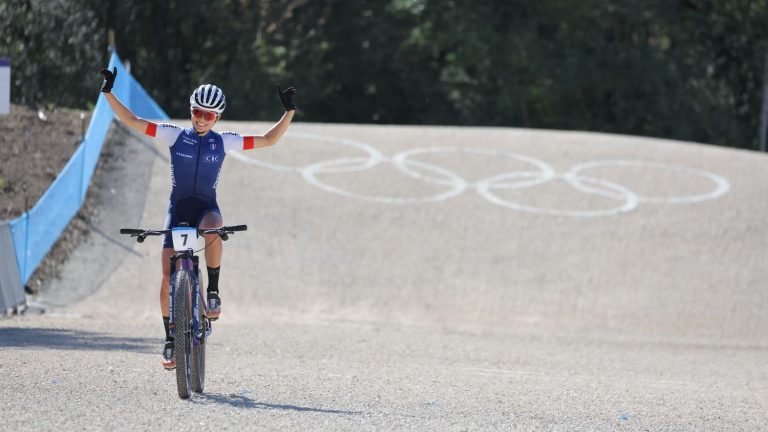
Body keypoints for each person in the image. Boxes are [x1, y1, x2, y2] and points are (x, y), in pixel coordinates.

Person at [98, 66, 296, 369]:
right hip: (177, 211)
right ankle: (169, 339)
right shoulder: (174, 134)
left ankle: (213, 291)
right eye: (197, 112)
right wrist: (108, 92)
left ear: (218, 118)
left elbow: (269, 140)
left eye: (209, 115)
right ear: (191, 111)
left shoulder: (224, 141)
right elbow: (132, 120)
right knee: (166, 278)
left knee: (214, 228)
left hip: (205, 210)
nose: (202, 118)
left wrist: (289, 111)